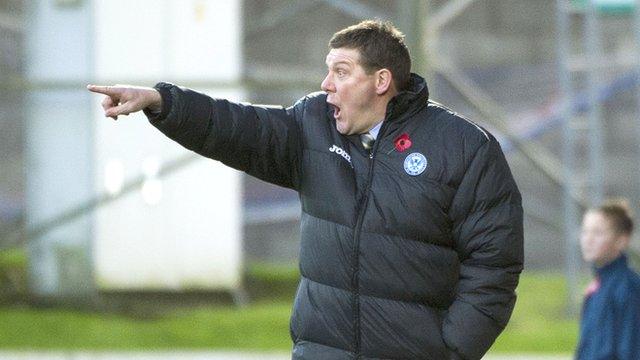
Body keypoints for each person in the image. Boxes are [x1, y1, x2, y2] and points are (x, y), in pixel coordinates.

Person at [88, 20, 523, 360]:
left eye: (341, 71)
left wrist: (449, 349)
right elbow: (238, 127)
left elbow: (494, 265)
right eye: (327, 71)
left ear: (381, 80)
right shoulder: (313, 124)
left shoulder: (463, 147)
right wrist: (163, 103)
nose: (326, 84)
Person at [576, 199, 640, 359]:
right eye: (585, 231)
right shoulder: (598, 286)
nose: (588, 239)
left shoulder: (628, 288)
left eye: (598, 233)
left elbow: (631, 350)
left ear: (621, 240)